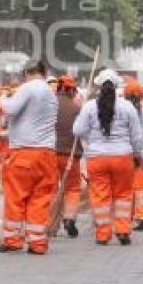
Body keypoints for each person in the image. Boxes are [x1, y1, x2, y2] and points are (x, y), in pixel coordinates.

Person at [73, 69, 142, 246]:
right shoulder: (127, 107)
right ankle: (123, 230)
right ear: (118, 85)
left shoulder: (89, 106)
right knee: (123, 196)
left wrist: (90, 138)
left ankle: (103, 234)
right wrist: (137, 155)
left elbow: (77, 130)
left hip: (96, 158)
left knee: (100, 197)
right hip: (122, 157)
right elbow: (136, 137)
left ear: (98, 86)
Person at [0, 60, 58, 255]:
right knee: (40, 199)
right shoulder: (51, 94)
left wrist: (3, 98)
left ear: (26, 73)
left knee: (16, 197)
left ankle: (13, 240)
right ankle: (37, 243)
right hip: (47, 154)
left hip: (24, 153)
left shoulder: (27, 88)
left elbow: (10, 109)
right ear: (44, 72)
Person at [123, 80, 143, 231]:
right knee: (142, 186)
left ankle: (133, 215)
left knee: (128, 187)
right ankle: (142, 214)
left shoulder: (126, 109)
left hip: (131, 152)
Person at [54, 75, 84, 238]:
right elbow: (83, 131)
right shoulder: (76, 108)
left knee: (50, 188)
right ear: (71, 90)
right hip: (71, 155)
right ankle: (69, 218)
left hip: (50, 153)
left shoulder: (49, 105)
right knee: (72, 188)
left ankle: (50, 220)